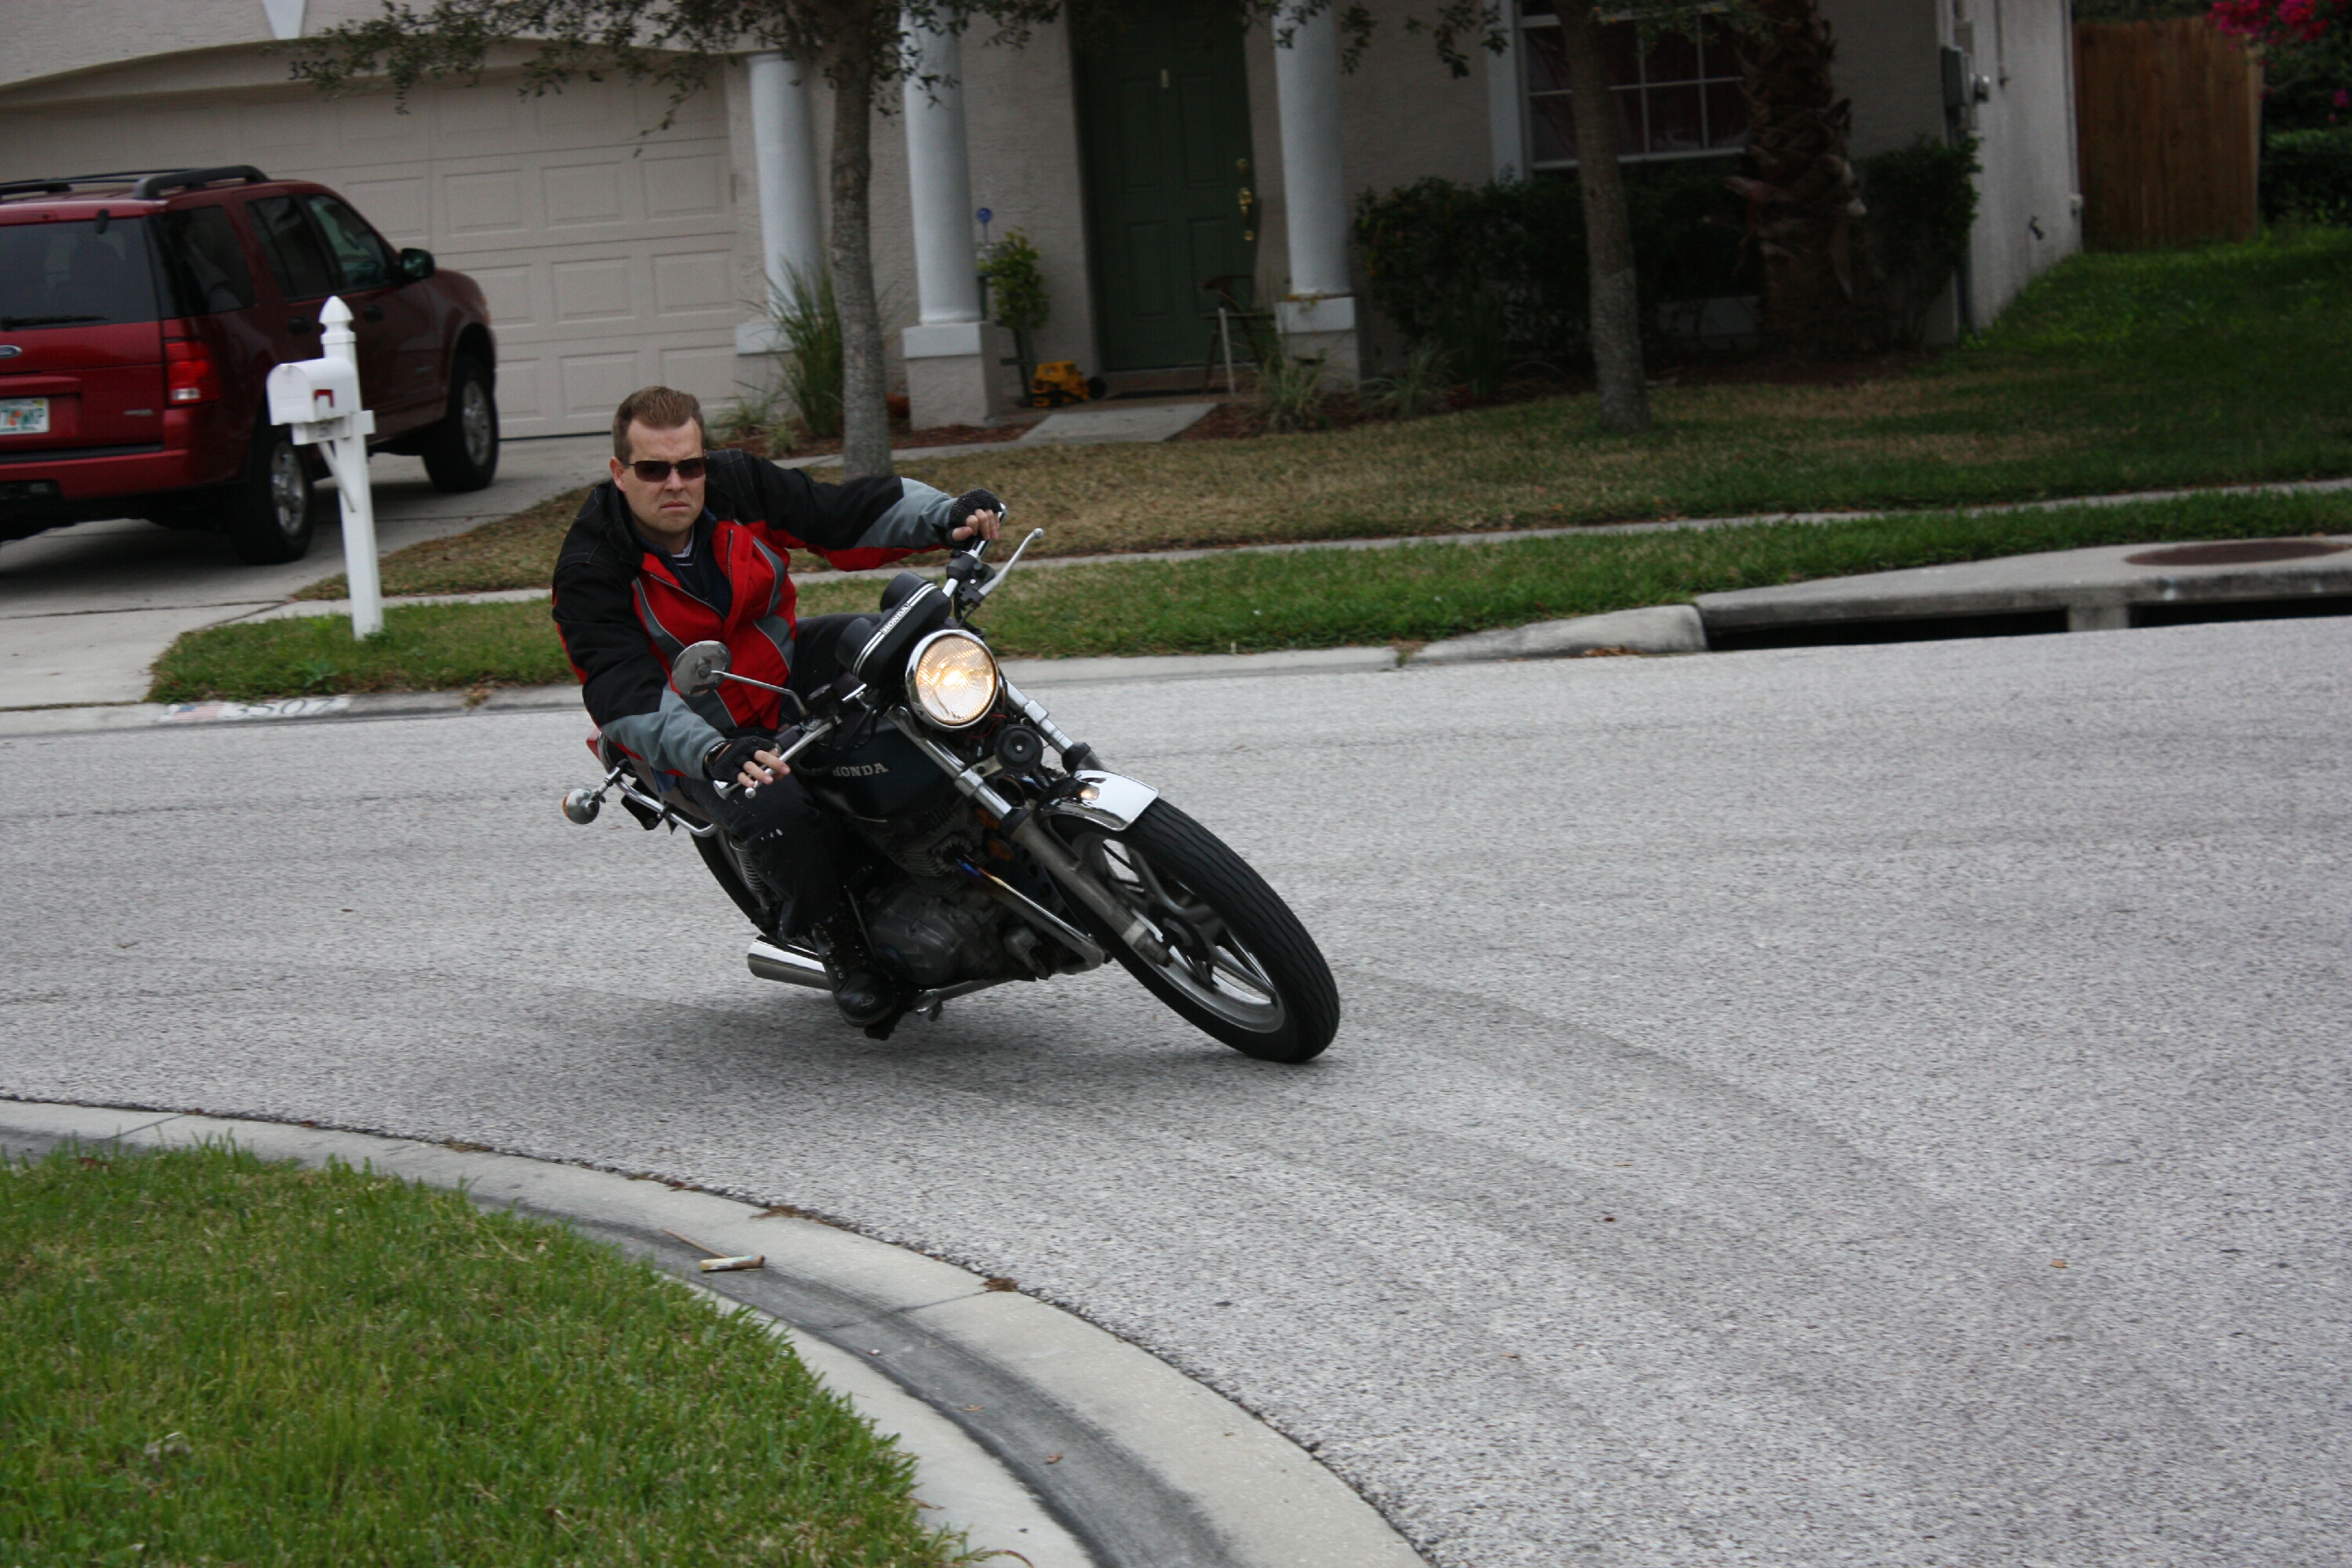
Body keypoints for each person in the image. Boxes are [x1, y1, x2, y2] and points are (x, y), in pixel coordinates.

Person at [553, 385, 1002, 1029]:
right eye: (653, 470)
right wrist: (712, 751)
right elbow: (620, 688)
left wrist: (945, 516)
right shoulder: (592, 564)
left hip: (776, 666)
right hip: (692, 728)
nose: (675, 483)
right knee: (774, 804)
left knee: (919, 648)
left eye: (689, 465)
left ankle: (1023, 786)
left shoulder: (737, 485)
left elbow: (839, 514)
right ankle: (842, 945)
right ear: (620, 472)